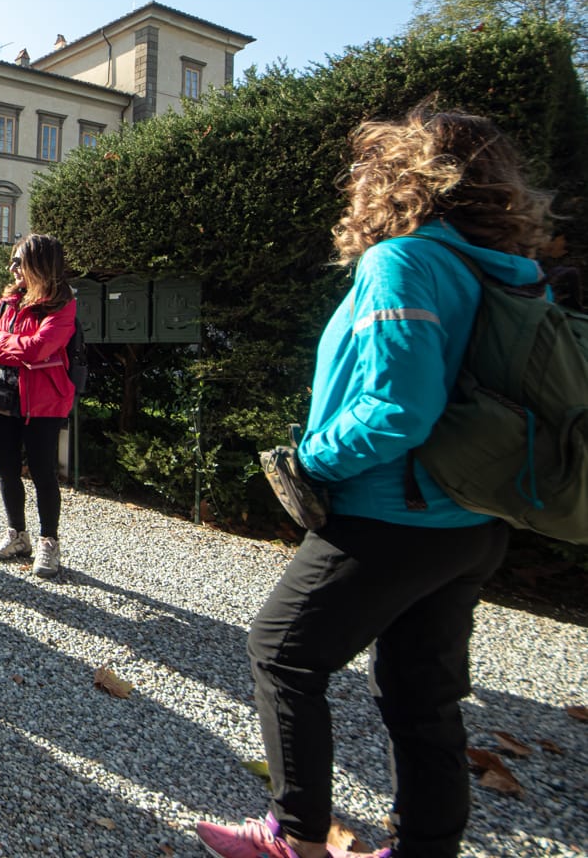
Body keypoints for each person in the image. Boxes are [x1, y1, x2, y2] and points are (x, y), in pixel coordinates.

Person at [196, 105, 547, 858]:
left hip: (396, 514)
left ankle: (295, 837)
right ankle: (427, 847)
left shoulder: (406, 261)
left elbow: (398, 408)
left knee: (281, 651)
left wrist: (311, 462)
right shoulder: (511, 274)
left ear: (400, 177)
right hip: (476, 519)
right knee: (424, 696)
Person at [0, 233, 78, 578]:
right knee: (6, 469)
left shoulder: (62, 304)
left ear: (39, 264)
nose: (12, 268)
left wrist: (5, 341)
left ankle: (49, 542)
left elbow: (38, 349)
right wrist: (17, 346)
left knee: (44, 474)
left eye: (19, 261)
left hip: (45, 401)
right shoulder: (7, 302)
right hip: (3, 396)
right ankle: (17, 534)